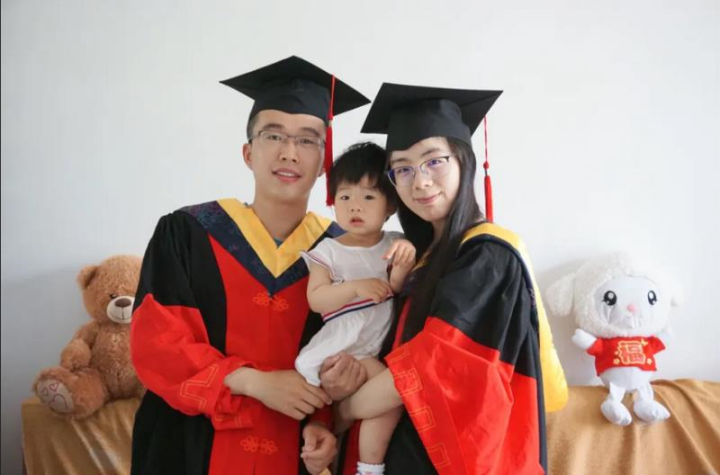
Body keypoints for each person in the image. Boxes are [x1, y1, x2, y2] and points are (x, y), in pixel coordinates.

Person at [129, 56, 370, 475]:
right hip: (189, 448)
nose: (289, 152)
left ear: (324, 162)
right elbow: (156, 343)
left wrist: (324, 422)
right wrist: (253, 381)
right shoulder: (187, 233)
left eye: (308, 140)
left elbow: (350, 358)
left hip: (292, 451)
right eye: (273, 135)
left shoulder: (346, 254)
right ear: (248, 152)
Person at [334, 83, 569, 474]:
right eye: (403, 169)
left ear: (464, 161)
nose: (420, 181)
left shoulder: (487, 256)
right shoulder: (419, 257)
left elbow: (430, 362)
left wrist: (345, 411)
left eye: (434, 161)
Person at [295, 142, 415, 475]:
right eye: (345, 197)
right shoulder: (329, 251)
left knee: (382, 403)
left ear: (390, 204)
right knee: (392, 393)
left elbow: (395, 288)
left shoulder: (394, 242)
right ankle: (369, 467)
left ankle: (366, 466)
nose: (355, 206)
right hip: (345, 347)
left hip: (374, 345)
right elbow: (316, 299)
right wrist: (354, 287)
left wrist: (404, 261)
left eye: (368, 197)